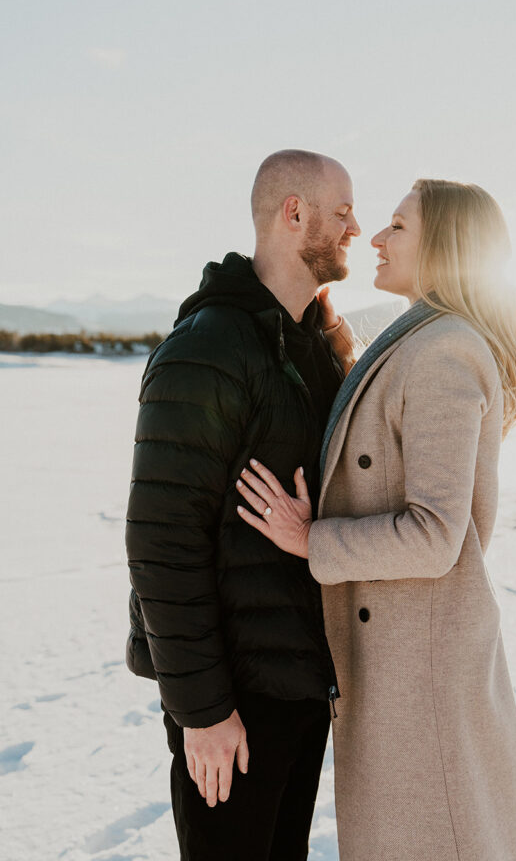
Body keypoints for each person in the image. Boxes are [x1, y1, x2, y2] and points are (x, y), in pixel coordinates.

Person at [237, 179, 516, 860]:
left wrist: (308, 539)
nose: (375, 238)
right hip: (402, 661)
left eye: (399, 227)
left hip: (422, 675)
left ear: (445, 247)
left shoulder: (444, 350)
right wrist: (342, 357)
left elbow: (436, 535)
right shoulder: (421, 339)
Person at [125, 149, 360, 861]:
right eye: (342, 211)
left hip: (298, 685)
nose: (356, 228)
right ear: (294, 213)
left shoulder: (312, 346)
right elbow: (162, 542)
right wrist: (203, 712)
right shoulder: (210, 348)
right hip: (234, 700)